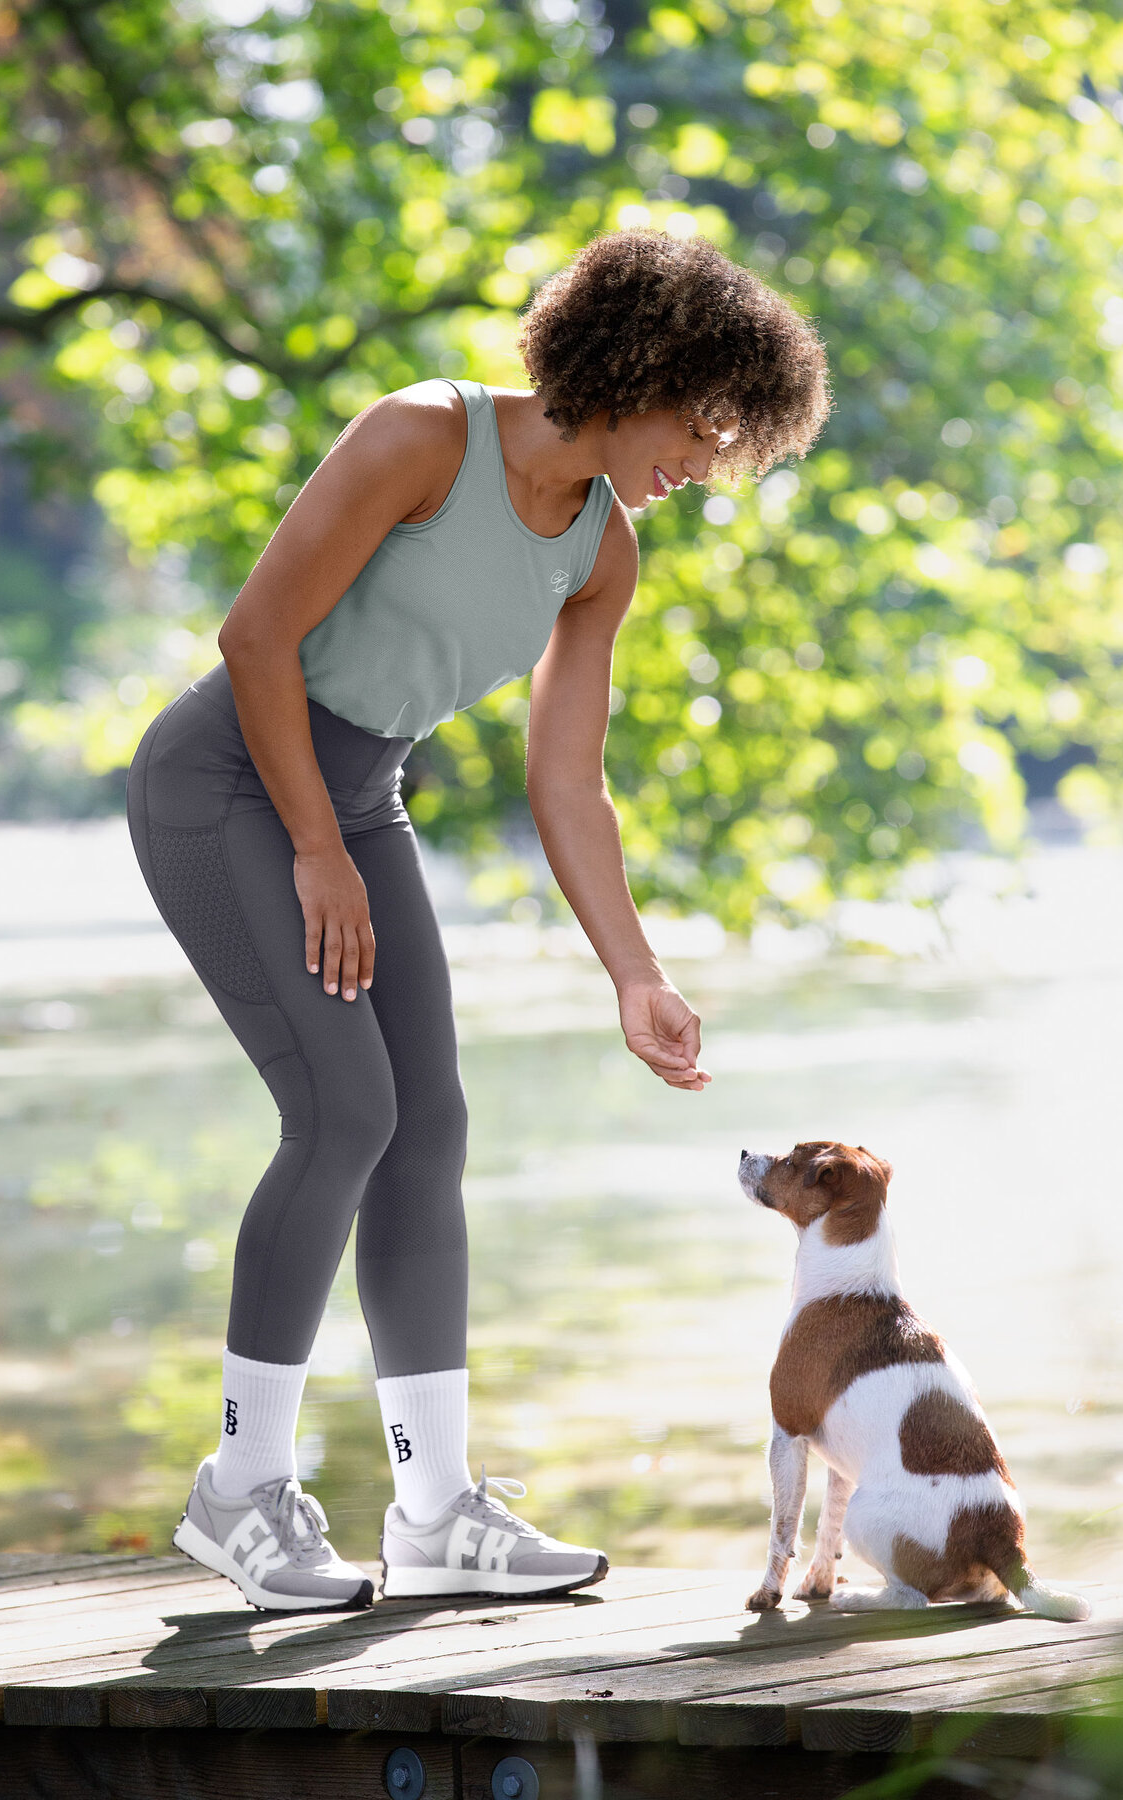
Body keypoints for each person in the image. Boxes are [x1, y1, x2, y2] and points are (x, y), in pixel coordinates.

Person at [125, 227, 830, 1610]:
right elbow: (256, 638)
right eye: (704, 424)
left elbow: (567, 780)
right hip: (225, 783)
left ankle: (437, 1510)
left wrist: (636, 974)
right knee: (341, 1113)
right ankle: (238, 1489)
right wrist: (316, 853)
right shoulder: (419, 440)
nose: (707, 460)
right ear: (641, 369)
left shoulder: (600, 551)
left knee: (426, 1125)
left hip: (358, 799)